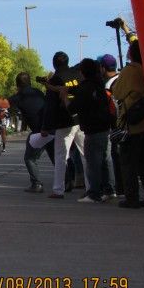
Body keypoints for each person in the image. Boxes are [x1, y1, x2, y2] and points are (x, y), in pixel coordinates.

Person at [112, 39, 144, 208]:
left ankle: (131, 196)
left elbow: (117, 92)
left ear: (132, 53)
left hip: (132, 121)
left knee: (128, 161)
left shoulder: (130, 70)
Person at [0, 73, 54, 193]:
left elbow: (2, 104)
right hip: (52, 127)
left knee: (30, 158)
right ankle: (68, 180)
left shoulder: (20, 95)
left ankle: (36, 183)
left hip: (40, 131)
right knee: (55, 156)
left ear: (17, 85)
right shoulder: (37, 92)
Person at [59, 59, 115, 203]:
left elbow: (72, 109)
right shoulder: (99, 85)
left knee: (92, 163)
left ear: (83, 72)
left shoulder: (86, 89)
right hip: (105, 128)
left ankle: (93, 193)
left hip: (92, 129)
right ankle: (109, 190)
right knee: (106, 161)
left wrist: (65, 98)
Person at [39, 51, 87, 199]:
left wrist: (46, 127)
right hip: (80, 120)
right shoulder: (78, 75)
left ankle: (58, 189)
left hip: (64, 121)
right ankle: (91, 187)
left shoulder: (55, 80)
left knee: (60, 156)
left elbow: (51, 105)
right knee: (86, 155)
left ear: (54, 64)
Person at [98, 53, 124, 197]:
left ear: (103, 68)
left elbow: (110, 108)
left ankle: (119, 188)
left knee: (115, 156)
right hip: (128, 122)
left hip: (115, 125)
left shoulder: (107, 86)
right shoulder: (122, 78)